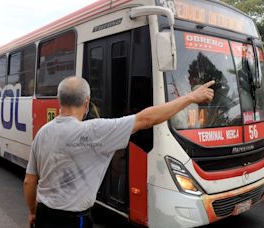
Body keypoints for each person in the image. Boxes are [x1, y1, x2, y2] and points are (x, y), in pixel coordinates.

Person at [24, 77, 215, 228]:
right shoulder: (95, 131)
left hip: (44, 215)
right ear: (87, 102)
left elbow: (30, 181)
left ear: (59, 101)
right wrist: (191, 97)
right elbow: (146, 119)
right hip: (74, 220)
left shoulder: (42, 133)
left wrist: (32, 212)